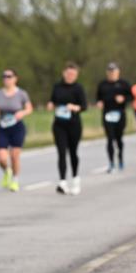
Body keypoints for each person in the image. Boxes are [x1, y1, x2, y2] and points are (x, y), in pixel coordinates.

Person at [48, 63, 87, 195]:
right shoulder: (57, 87)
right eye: (68, 73)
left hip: (74, 124)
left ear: (76, 75)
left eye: (73, 74)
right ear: (63, 73)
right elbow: (53, 100)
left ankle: (75, 179)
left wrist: (75, 107)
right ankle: (63, 181)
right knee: (61, 152)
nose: (70, 76)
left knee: (73, 152)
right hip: (59, 124)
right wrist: (51, 105)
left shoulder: (78, 88)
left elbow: (84, 106)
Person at [0, 68, 33, 192]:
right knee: (1, 157)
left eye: (9, 76)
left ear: (15, 78)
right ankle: (7, 171)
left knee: (15, 156)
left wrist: (22, 113)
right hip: (3, 126)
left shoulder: (21, 93)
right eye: (4, 76)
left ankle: (15, 180)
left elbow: (29, 108)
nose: (6, 79)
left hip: (17, 126)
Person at [95, 62, 132, 173]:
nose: (112, 74)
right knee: (110, 139)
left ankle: (120, 159)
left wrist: (123, 99)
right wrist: (99, 103)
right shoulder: (102, 84)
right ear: (107, 73)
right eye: (110, 72)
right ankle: (111, 163)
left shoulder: (124, 84)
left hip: (120, 113)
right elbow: (98, 97)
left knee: (119, 139)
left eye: (114, 72)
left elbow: (131, 97)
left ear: (118, 72)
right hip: (107, 114)